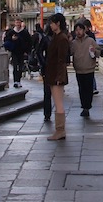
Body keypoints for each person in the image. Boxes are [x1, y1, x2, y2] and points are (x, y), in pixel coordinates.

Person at [43, 12, 70, 140]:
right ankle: (59, 130)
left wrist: (60, 77)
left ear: (57, 23)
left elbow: (61, 59)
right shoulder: (57, 37)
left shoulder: (62, 38)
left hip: (57, 74)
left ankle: (60, 130)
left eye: (52, 23)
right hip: (53, 73)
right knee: (57, 101)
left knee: (58, 102)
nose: (50, 25)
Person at [70, 22, 100, 117]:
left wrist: (94, 51)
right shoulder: (74, 43)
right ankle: (84, 106)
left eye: (80, 30)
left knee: (88, 89)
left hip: (89, 69)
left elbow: (98, 52)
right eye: (77, 30)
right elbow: (70, 52)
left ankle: (87, 106)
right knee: (81, 89)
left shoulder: (90, 41)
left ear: (84, 30)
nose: (78, 32)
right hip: (79, 69)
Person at [3, 18, 32, 88]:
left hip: (22, 52)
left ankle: (18, 80)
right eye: (16, 23)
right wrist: (11, 39)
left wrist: (27, 51)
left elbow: (29, 42)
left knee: (21, 67)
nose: (18, 24)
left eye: (19, 23)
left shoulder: (25, 32)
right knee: (15, 66)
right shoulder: (11, 32)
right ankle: (15, 81)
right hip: (14, 52)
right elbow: (6, 40)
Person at [34, 22, 53, 122]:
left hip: (57, 67)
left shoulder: (60, 38)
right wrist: (43, 63)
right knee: (47, 91)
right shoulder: (46, 39)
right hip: (48, 67)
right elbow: (38, 51)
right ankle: (47, 113)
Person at [82, 18, 100, 94]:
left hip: (90, 55)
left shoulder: (91, 35)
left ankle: (93, 87)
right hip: (83, 56)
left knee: (90, 72)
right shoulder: (81, 35)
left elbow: (95, 45)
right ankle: (87, 87)